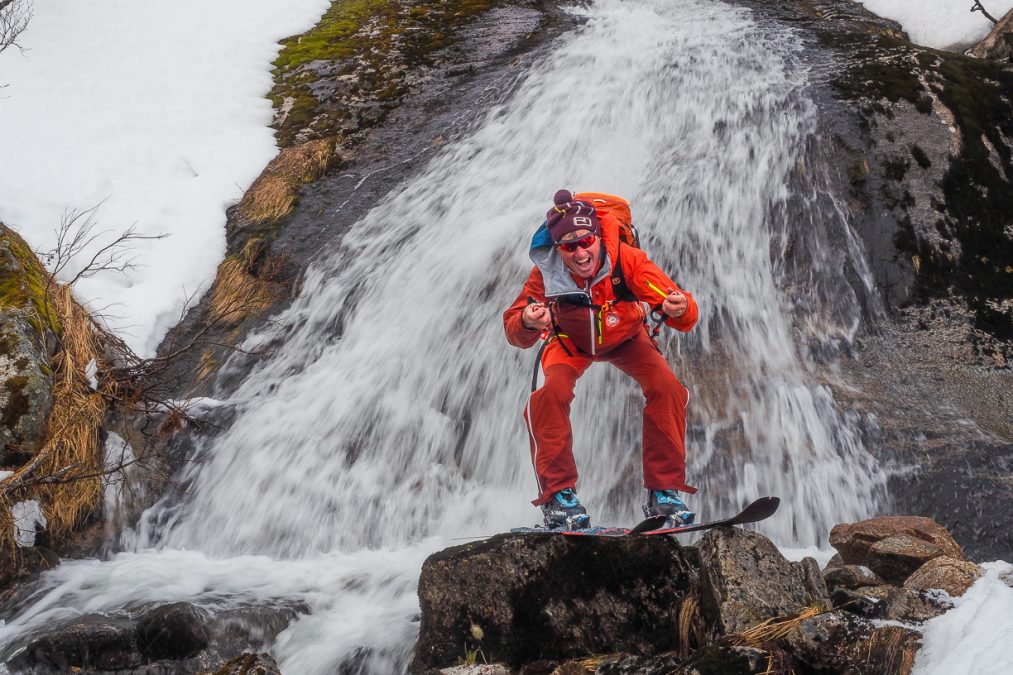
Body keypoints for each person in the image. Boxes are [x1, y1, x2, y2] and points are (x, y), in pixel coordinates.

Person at [503, 189, 699, 529]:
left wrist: (679, 308)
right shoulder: (546, 274)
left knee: (667, 388)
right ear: (557, 249)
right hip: (570, 342)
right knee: (550, 395)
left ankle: (663, 491)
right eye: (569, 246)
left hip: (627, 338)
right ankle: (558, 497)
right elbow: (514, 327)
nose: (580, 251)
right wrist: (527, 321)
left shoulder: (627, 261)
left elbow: (679, 306)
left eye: (586, 240)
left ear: (598, 236)